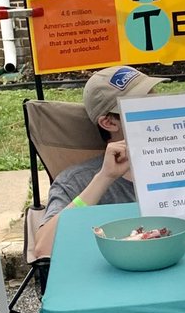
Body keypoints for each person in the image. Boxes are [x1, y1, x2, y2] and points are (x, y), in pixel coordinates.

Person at [34, 66, 165, 259]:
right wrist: (104, 178)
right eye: (143, 106)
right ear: (109, 123)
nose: (160, 110)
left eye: (156, 99)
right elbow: (43, 249)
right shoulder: (77, 181)